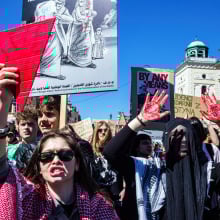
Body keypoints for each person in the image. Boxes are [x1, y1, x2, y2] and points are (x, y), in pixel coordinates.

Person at [0, 64, 119, 219]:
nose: (55, 160)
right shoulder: (25, 199)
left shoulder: (99, 206)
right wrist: (4, 104)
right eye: (46, 156)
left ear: (77, 162)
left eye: (65, 155)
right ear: (38, 164)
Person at [103, 91, 169, 220]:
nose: (149, 146)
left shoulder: (160, 164)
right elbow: (110, 152)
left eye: (150, 143)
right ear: (136, 146)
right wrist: (140, 121)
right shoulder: (132, 164)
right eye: (145, 143)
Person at [66, 0, 97, 68]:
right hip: (77, 27)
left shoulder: (89, 3)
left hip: (86, 27)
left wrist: (90, 17)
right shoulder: (77, 6)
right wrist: (85, 19)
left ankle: (87, 61)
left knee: (87, 43)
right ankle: (73, 59)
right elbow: (77, 16)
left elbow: (91, 12)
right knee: (75, 43)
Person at [7, 106, 39, 172]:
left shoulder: (44, 149)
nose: (26, 127)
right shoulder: (9, 150)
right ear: (17, 127)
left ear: (37, 126)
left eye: (30, 124)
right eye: (23, 124)